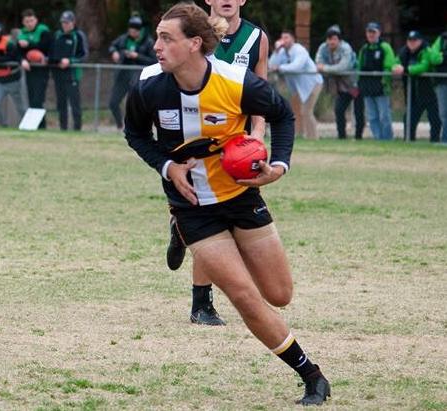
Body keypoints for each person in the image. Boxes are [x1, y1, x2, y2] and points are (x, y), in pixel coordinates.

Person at [125, 3, 330, 406]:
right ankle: (312, 376)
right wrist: (167, 167)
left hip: (240, 197)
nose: (156, 46)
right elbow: (135, 134)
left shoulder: (235, 83)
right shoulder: (148, 86)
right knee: (243, 294)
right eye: (157, 36)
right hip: (193, 208)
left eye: (167, 38)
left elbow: (283, 116)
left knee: (279, 293)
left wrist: (279, 166)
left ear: (195, 44)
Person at [166, 0, 270, 327]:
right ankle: (201, 304)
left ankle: (180, 228)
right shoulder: (192, 32)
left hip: (237, 144)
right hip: (198, 136)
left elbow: (261, 92)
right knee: (212, 223)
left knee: (222, 223)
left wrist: (257, 133)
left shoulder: (257, 38)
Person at [269, 30, 323, 139]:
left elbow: (296, 66)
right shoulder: (282, 52)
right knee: (299, 111)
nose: (284, 41)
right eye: (282, 38)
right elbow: (271, 64)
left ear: (293, 39)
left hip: (313, 84)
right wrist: (276, 51)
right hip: (299, 87)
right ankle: (302, 135)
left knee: (307, 111)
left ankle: (313, 137)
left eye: (286, 38)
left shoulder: (299, 50)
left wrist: (280, 68)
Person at [315, 25, 365, 139]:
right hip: (341, 87)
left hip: (355, 85)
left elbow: (343, 67)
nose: (331, 42)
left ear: (339, 40)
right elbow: (318, 63)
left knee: (358, 112)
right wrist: (327, 68)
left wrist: (325, 68)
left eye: (334, 39)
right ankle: (341, 136)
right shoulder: (323, 47)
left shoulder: (346, 48)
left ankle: (358, 137)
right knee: (339, 110)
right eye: (329, 39)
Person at [108, 16, 156, 130]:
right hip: (122, 75)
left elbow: (154, 61)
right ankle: (119, 126)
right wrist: (114, 52)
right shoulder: (124, 38)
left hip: (138, 78)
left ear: (140, 31)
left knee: (134, 104)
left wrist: (137, 56)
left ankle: (135, 127)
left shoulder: (148, 42)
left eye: (135, 31)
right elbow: (112, 46)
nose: (132, 33)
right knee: (113, 102)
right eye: (130, 30)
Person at [392, 31, 441, 142]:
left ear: (420, 41)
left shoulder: (427, 50)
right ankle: (409, 140)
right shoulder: (404, 51)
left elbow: (423, 66)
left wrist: (406, 69)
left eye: (415, 40)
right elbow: (394, 62)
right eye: (410, 40)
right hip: (413, 93)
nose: (412, 43)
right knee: (409, 119)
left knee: (435, 119)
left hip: (430, 92)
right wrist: (395, 67)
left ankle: (434, 141)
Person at [48, 11, 88, 131]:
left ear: (73, 22)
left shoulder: (78, 36)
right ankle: (63, 128)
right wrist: (52, 61)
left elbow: (84, 55)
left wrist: (70, 61)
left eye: (67, 22)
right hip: (58, 74)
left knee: (74, 103)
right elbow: (52, 52)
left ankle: (77, 128)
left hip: (72, 75)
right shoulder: (57, 35)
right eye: (63, 22)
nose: (65, 25)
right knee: (61, 103)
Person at [0, 23, 27, 127]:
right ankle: (4, 125)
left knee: (20, 106)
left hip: (12, 80)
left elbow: (14, 56)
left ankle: (28, 126)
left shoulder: (8, 43)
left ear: (0, 32)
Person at [357, 22, 396, 140]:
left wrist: (385, 81)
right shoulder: (364, 49)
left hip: (381, 86)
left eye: (373, 32)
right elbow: (359, 66)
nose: (371, 35)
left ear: (379, 33)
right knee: (372, 116)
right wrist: (358, 83)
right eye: (369, 32)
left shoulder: (385, 47)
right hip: (367, 87)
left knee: (384, 115)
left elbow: (389, 65)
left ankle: (387, 139)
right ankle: (378, 138)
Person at [18, 9, 52, 129]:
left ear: (36, 20)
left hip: (42, 69)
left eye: (31, 21)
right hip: (30, 70)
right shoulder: (22, 34)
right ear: (23, 22)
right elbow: (18, 52)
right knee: (32, 99)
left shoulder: (43, 31)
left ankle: (41, 126)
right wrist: (23, 60)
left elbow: (45, 46)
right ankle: (37, 126)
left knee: (38, 99)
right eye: (27, 21)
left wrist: (29, 45)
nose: (29, 23)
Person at [429, 31, 447, 143]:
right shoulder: (441, 39)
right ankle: (445, 140)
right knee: (443, 113)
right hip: (442, 82)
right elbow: (434, 58)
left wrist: (442, 55)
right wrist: (443, 57)